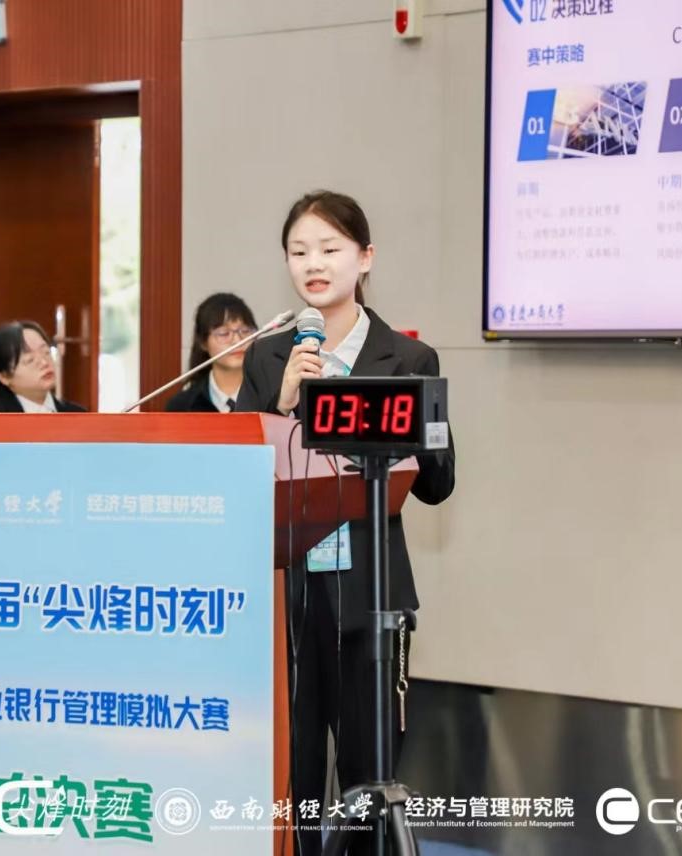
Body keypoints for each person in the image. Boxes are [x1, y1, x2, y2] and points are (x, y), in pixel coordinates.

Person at [235, 190, 455, 855]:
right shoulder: (268, 356)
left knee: (365, 772)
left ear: (364, 257)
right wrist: (281, 406)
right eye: (299, 251)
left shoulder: (406, 359)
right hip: (289, 597)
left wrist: (393, 439)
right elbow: (239, 477)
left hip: (368, 597)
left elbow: (438, 484)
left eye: (330, 249)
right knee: (293, 770)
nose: (314, 264)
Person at [166, 292, 258, 412]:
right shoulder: (182, 406)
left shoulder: (271, 398)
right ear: (203, 342)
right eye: (224, 333)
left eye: (245, 331)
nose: (238, 341)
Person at [0, 320, 86, 412]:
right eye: (30, 360)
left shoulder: (78, 415)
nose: (44, 363)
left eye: (46, 352)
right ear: (4, 377)